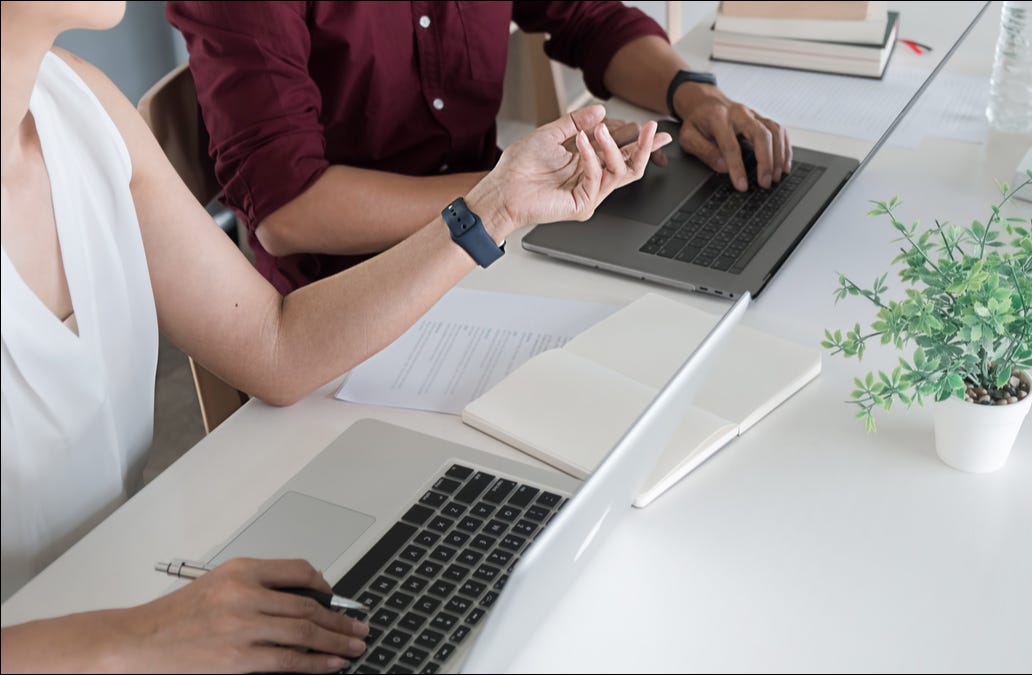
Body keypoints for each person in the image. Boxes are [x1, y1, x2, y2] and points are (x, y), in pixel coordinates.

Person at [0, 1, 669, 670]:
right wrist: (140, 639)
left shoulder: (80, 106)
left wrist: (495, 207)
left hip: (125, 599)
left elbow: (273, 347)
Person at [166, 1, 793, 293]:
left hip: (496, 253)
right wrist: (510, 194)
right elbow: (289, 211)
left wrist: (693, 95)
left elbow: (591, 19)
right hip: (347, 298)